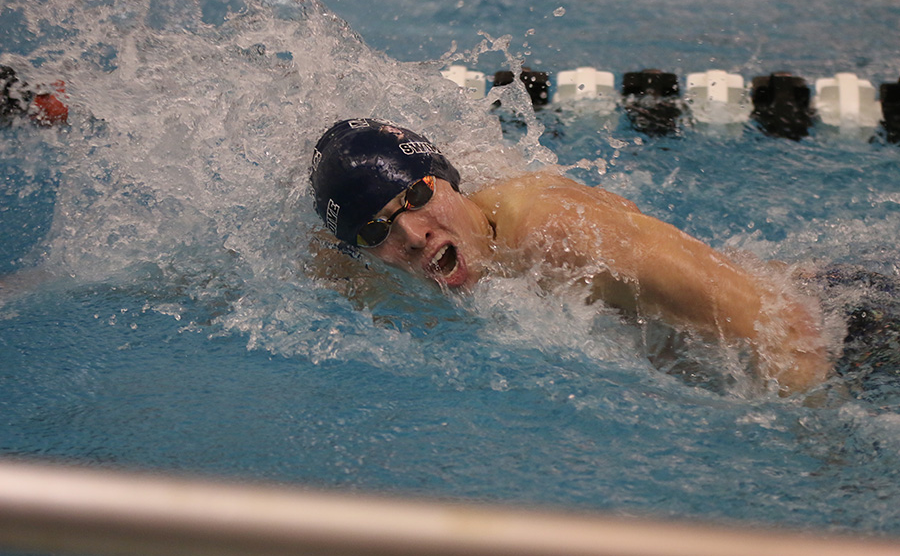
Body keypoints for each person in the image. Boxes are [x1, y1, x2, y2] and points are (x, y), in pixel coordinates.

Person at [310, 118, 833, 395]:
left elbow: (786, 328)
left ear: (449, 180)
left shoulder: (561, 237)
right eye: (378, 229)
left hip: (845, 326)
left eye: (418, 198)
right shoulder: (385, 265)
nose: (413, 235)